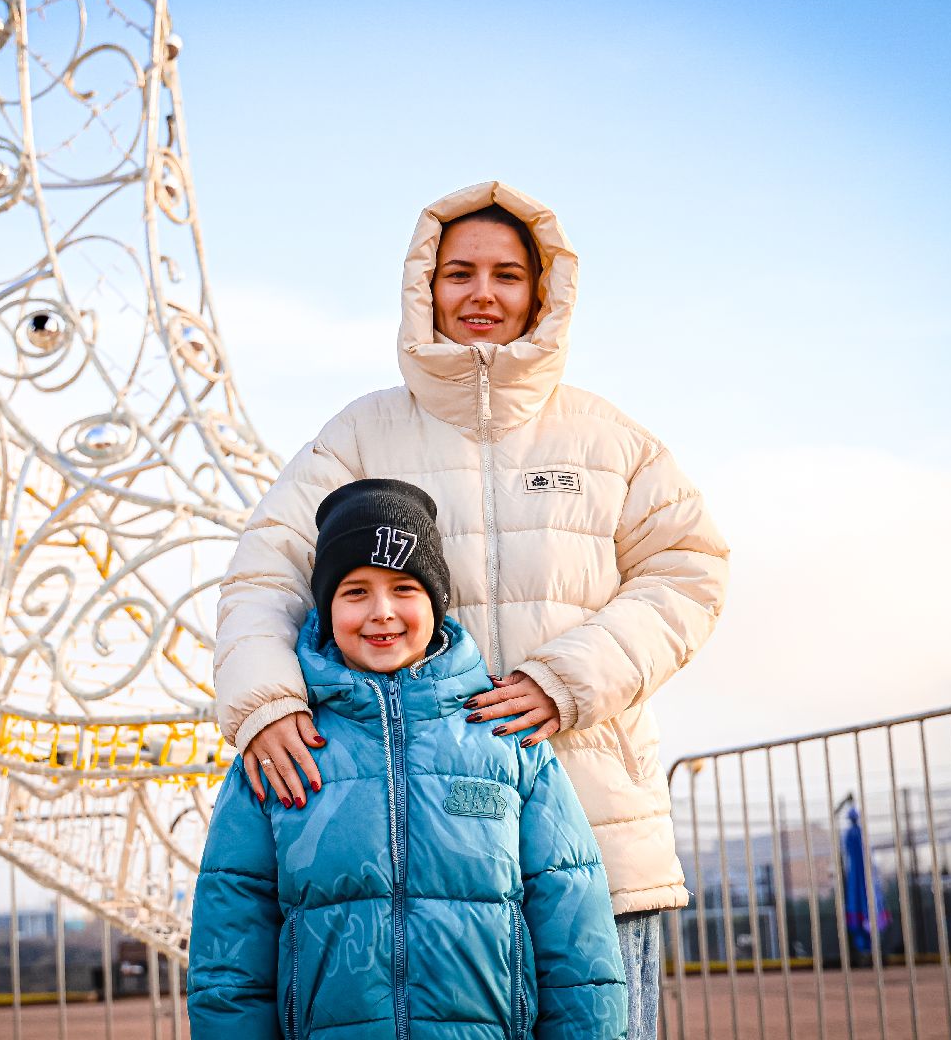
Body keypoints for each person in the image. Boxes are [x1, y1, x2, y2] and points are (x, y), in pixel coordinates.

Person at [213, 182, 730, 1037]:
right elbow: (261, 576)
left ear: (542, 291)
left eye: (506, 275)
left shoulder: (610, 441)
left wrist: (567, 678)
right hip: (397, 850)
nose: (482, 294)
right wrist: (265, 703)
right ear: (426, 287)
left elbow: (691, 570)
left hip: (597, 838)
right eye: (459, 273)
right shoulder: (358, 436)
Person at [189, 479, 626, 1038]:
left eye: (404, 589)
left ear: (435, 602)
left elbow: (574, 924)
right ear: (325, 609)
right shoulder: (281, 751)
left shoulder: (504, 738)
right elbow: (230, 948)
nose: (382, 613)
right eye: (354, 592)